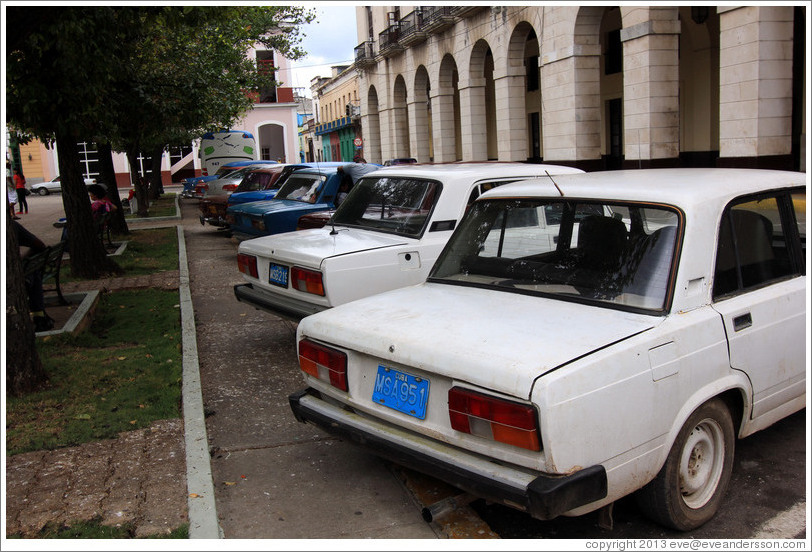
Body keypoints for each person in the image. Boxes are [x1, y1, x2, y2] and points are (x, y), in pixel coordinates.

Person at [13, 220, 54, 332]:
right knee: (32, 272)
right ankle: (39, 316)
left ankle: (39, 316)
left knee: (32, 273)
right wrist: (22, 259)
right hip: (16, 279)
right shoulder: (11, 225)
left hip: (14, 281)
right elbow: (40, 246)